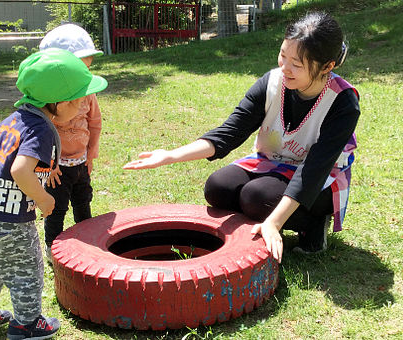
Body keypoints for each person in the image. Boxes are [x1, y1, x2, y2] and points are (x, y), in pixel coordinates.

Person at [123, 12, 360, 264]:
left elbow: (314, 169)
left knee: (256, 198)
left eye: (297, 64)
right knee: (218, 188)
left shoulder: (343, 102)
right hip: (273, 164)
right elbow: (230, 132)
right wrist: (170, 155)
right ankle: (265, 217)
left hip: (319, 179)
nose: (284, 67)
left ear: (327, 66)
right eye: (283, 55)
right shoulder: (272, 83)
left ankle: (313, 223)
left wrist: (274, 222)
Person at [0, 48, 107, 339]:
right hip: (12, 224)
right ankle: (27, 324)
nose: (83, 106)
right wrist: (43, 197)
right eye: (79, 101)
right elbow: (19, 170)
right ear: (59, 104)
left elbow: (7, 160)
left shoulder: (16, 119)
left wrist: (45, 171)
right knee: (28, 270)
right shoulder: (41, 130)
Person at [38, 24, 105, 260]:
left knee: (83, 201)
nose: (85, 75)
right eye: (80, 69)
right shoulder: (47, 98)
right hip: (57, 168)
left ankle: (86, 240)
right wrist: (49, 164)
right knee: (56, 209)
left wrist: (92, 153)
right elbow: (41, 133)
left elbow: (94, 123)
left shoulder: (89, 92)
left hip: (81, 162)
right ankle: (51, 247)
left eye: (88, 68)